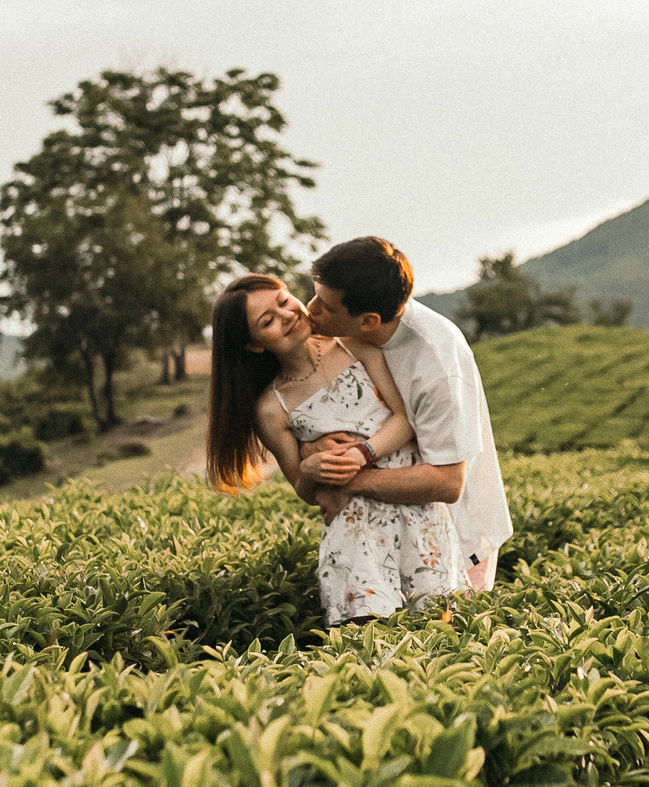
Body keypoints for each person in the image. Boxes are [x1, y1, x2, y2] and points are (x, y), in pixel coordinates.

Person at [205, 272, 465, 625]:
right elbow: (307, 491)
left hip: (416, 510)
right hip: (354, 534)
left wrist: (362, 454)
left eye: (284, 301)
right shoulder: (271, 408)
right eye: (268, 321)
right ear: (253, 344)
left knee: (440, 628)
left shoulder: (354, 345)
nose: (287, 315)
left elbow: (405, 419)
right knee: (369, 639)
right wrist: (309, 471)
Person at [301, 236, 513, 592]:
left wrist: (345, 481)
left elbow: (448, 482)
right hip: (383, 528)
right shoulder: (350, 333)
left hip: (455, 536)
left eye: (326, 306)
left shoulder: (436, 364)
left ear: (368, 321)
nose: (311, 309)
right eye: (314, 295)